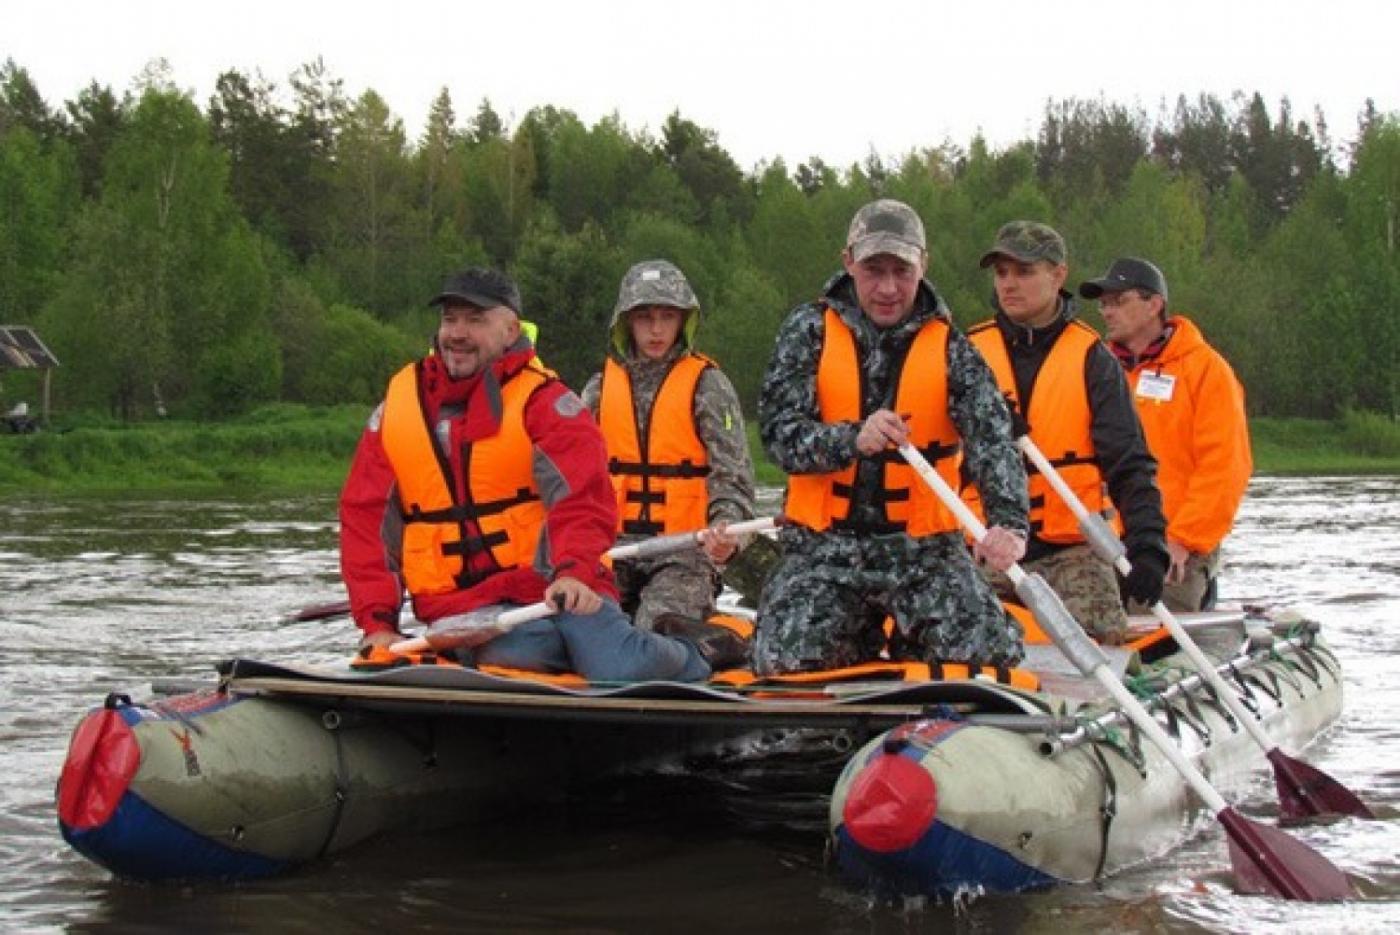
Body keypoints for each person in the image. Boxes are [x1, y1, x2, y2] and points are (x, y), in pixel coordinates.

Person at [338, 266, 711, 682]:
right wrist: (378, 624)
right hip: (465, 609)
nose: (457, 333)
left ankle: (703, 651)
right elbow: (364, 522)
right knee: (523, 651)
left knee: (621, 666)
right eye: (450, 319)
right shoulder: (399, 410)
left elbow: (584, 498)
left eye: (475, 320)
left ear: (510, 328)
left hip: (562, 589)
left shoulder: (543, 402)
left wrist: (574, 572)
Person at [754, 198, 1031, 676]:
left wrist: (1010, 524)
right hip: (824, 548)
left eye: (901, 271)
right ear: (848, 263)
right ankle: (854, 635)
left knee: (989, 656)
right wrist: (850, 441)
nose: (887, 288)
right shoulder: (807, 332)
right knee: (785, 659)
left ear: (923, 265)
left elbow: (993, 443)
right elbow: (779, 436)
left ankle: (911, 642)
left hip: (922, 551)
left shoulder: (953, 350)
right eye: (873, 269)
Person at [966, 222, 1168, 643]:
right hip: (984, 549)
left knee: (1101, 637)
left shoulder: (1092, 358)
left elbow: (1129, 462)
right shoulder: (967, 354)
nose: (1009, 284)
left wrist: (1148, 545)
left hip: (1068, 551)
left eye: (1023, 272)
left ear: (1057, 276)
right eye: (1002, 273)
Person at [581, 259, 757, 665]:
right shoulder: (599, 388)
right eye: (644, 318)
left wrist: (726, 531)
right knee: (586, 628)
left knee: (649, 634)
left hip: (685, 550)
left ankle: (736, 635)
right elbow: (575, 478)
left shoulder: (708, 386)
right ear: (626, 323)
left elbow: (733, 477)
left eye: (667, 317)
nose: (656, 330)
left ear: (684, 322)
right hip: (617, 551)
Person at [1081, 257, 1252, 612]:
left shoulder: (1206, 370)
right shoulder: (1096, 369)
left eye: (1119, 301)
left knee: (1159, 637)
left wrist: (1182, 541)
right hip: (1100, 544)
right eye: (1103, 303)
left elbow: (1224, 467)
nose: (1107, 312)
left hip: (1174, 546)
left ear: (1154, 304)